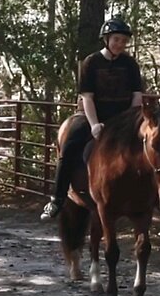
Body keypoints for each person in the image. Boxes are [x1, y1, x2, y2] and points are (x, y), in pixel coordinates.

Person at [40, 17, 146, 221]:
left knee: (149, 145)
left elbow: (136, 96)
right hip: (93, 114)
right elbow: (87, 97)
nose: (120, 44)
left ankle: (153, 199)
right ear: (106, 39)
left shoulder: (130, 64)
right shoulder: (91, 62)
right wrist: (94, 124)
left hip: (123, 118)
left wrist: (131, 121)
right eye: (116, 39)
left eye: (124, 41)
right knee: (70, 144)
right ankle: (57, 199)